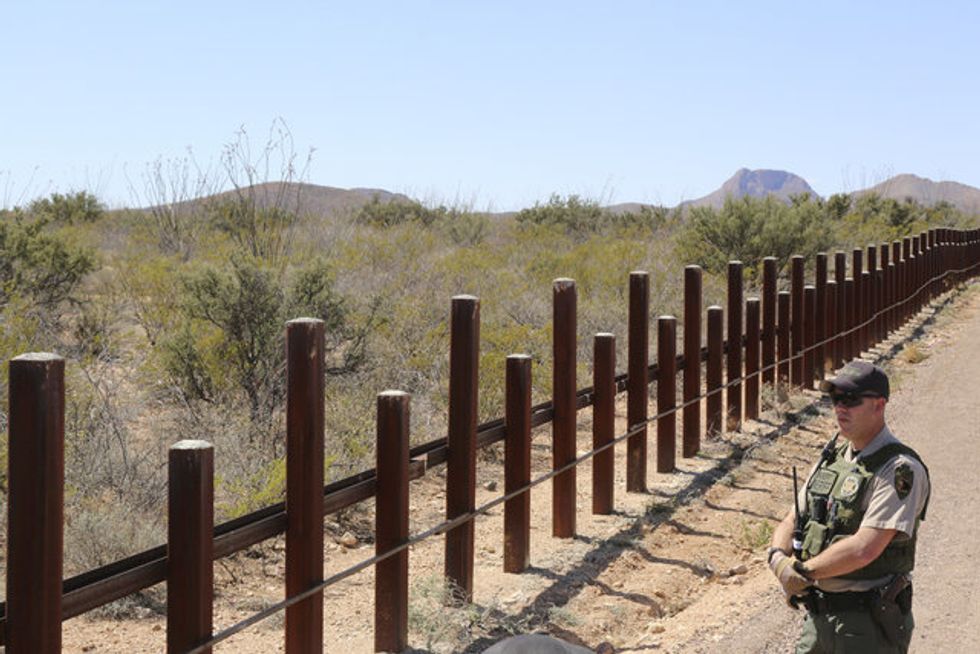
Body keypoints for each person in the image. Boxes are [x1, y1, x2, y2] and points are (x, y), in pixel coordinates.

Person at [767, 360, 930, 653]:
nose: (841, 407)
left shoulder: (899, 469)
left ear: (879, 405)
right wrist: (778, 559)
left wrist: (802, 572)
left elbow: (864, 548)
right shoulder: (833, 459)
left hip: (866, 625)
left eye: (852, 399)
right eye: (836, 399)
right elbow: (793, 518)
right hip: (818, 620)